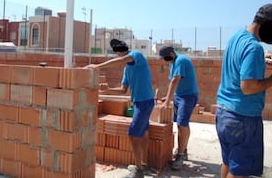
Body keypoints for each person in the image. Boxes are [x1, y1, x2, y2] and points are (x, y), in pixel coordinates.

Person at [216, 3, 272, 178]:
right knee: (240, 171)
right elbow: (248, 87)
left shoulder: (237, 36)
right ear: (269, 25)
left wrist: (261, 57)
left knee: (228, 162)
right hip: (243, 118)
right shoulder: (254, 48)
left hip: (223, 113)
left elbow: (240, 60)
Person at [85, 39, 155, 178]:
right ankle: (143, 164)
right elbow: (123, 90)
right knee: (143, 133)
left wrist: (97, 66)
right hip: (138, 103)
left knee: (133, 134)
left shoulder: (137, 55)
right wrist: (107, 89)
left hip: (144, 102)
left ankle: (138, 170)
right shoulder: (127, 69)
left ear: (118, 53)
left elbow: (122, 60)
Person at [158, 46, 199, 170]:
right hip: (179, 95)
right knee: (181, 124)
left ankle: (180, 155)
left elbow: (175, 80)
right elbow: (174, 82)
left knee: (182, 124)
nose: (165, 60)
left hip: (188, 96)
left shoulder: (181, 60)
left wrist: (168, 100)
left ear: (171, 53)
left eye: (165, 57)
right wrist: (168, 97)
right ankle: (183, 150)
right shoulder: (173, 62)